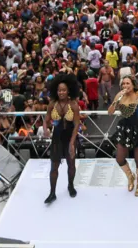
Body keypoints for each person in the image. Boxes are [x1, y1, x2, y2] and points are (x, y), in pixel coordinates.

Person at [108, 72, 138, 196]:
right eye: (123, 83)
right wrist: (117, 99)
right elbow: (110, 112)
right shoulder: (120, 96)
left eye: (127, 83)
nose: (125, 85)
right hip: (125, 129)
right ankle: (130, 177)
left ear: (132, 84)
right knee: (119, 158)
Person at [44, 73, 82, 204]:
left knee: (71, 164)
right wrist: (45, 129)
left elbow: (77, 124)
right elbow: (46, 120)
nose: (61, 92)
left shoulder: (74, 105)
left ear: (68, 91)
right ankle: (52, 193)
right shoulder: (52, 104)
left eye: (64, 90)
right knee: (54, 166)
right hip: (57, 137)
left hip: (70, 137)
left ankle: (71, 186)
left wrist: (72, 143)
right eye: (59, 90)